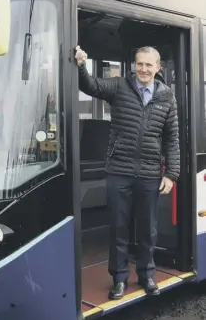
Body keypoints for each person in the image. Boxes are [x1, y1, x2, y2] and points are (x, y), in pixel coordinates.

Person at [75, 45, 180, 300]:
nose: (143, 69)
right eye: (139, 64)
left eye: (149, 65)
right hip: (119, 172)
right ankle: (119, 279)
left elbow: (172, 138)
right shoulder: (120, 86)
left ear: (158, 68)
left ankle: (146, 275)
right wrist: (81, 66)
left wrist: (171, 174)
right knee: (119, 229)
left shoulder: (166, 96)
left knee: (147, 230)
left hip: (149, 174)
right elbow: (91, 86)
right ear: (135, 65)